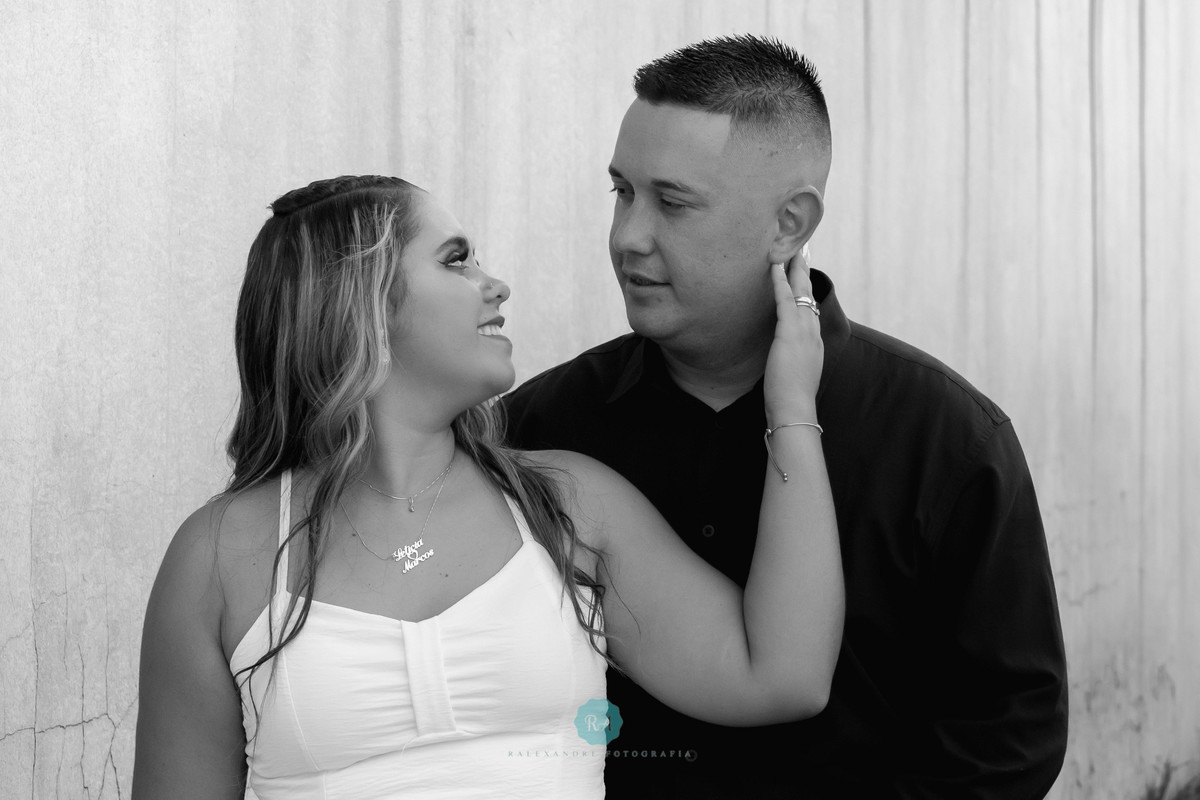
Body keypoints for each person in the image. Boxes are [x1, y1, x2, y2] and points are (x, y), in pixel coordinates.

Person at [131, 175, 843, 799]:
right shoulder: (218, 556)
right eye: (456, 259)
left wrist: (790, 409)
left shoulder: (566, 505)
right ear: (359, 302)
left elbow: (782, 675)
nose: (495, 284)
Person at [503, 35, 1069, 799]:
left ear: (789, 223)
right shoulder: (538, 430)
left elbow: (1009, 730)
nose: (628, 235)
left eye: (672, 202)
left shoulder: (947, 439)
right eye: (622, 192)